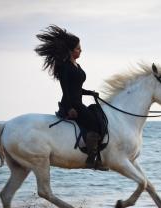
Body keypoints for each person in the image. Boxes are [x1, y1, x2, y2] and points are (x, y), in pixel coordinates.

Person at [35, 25, 107, 171]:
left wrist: (90, 93)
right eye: (78, 48)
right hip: (70, 104)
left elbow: (77, 88)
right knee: (94, 122)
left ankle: (97, 156)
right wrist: (71, 108)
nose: (80, 50)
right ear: (70, 50)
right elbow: (66, 89)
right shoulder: (64, 67)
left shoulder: (77, 66)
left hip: (78, 102)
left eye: (80, 48)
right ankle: (90, 159)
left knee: (99, 117)